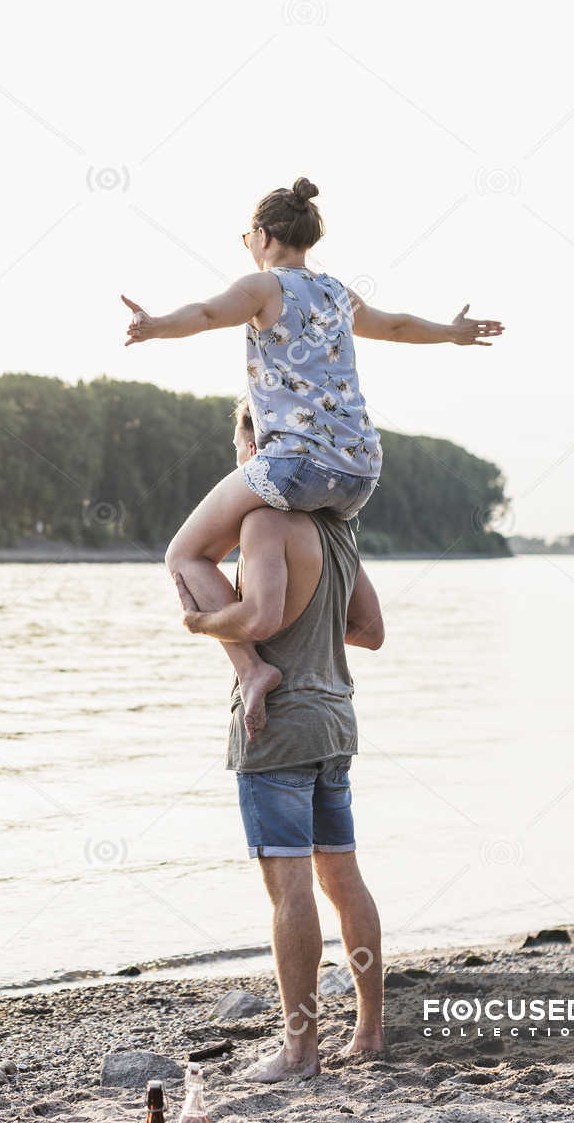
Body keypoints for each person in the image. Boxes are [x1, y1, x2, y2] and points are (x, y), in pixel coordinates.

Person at [124, 176, 501, 739]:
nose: (247, 243)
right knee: (306, 545)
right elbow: (395, 326)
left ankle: (252, 668)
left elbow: (204, 314)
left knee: (184, 554)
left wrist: (155, 327)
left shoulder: (261, 287)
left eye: (247, 235)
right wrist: (451, 333)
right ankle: (306, 635)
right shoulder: (336, 293)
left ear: (266, 235)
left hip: (295, 465)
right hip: (360, 471)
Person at [172, 399, 387, 1081]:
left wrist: (205, 623)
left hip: (280, 728)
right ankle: (371, 1031)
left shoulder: (263, 519)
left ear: (255, 448)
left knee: (289, 892)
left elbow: (260, 612)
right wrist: (315, 634)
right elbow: (371, 629)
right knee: (343, 881)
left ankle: (300, 1051)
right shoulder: (338, 529)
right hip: (335, 721)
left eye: (241, 446)